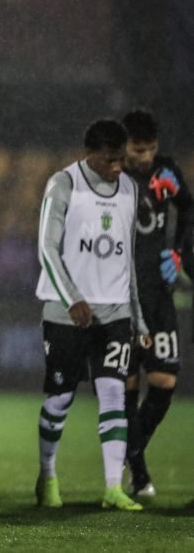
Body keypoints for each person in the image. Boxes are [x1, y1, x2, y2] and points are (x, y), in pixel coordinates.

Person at [34, 119, 148, 511]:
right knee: (60, 398)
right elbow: (47, 249)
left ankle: (113, 488)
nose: (118, 168)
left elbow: (127, 256)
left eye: (121, 160)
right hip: (67, 311)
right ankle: (47, 475)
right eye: (111, 160)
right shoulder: (63, 184)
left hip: (114, 310)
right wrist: (72, 298)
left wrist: (138, 317)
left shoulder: (131, 189)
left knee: (115, 391)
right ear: (91, 155)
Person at [119, 109, 192, 499]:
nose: (144, 157)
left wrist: (178, 252)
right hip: (121, 295)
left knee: (164, 381)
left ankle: (130, 454)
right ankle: (140, 472)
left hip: (158, 293)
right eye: (137, 149)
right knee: (127, 385)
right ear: (124, 145)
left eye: (149, 149)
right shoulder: (113, 176)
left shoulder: (166, 172)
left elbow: (189, 207)